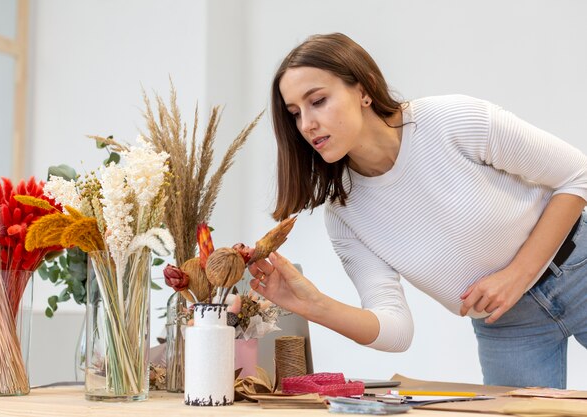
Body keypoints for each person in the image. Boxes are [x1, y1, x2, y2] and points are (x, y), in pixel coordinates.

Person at [247, 32, 587, 389]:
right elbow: (396, 330)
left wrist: (516, 274)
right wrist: (313, 305)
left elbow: (577, 175)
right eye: (295, 113)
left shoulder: (451, 120)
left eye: (317, 101)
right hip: (506, 325)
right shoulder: (345, 213)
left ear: (365, 89)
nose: (306, 124)